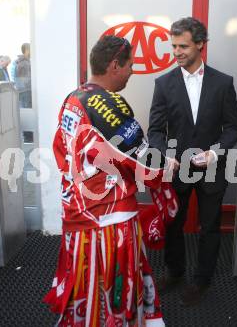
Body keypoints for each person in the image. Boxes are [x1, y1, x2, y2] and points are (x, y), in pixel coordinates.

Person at [44, 35, 176, 327]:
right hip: (110, 217)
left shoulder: (73, 98)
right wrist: (168, 166)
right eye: (130, 65)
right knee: (117, 281)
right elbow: (143, 159)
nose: (131, 72)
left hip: (77, 209)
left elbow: (60, 149)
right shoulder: (109, 103)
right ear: (115, 65)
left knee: (87, 282)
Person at [148, 17, 237, 306]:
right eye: (174, 45)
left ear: (200, 44)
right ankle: (174, 272)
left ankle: (202, 280)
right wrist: (166, 154)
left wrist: (215, 153)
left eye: (183, 46)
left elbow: (234, 128)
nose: (176, 52)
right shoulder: (163, 84)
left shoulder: (223, 83)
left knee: (209, 227)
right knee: (173, 225)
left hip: (213, 169)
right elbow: (154, 130)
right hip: (176, 170)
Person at [12, 43, 32, 108]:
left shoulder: (23, 62)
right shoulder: (24, 63)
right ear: (27, 50)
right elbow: (26, 79)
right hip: (25, 91)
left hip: (24, 90)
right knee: (26, 108)